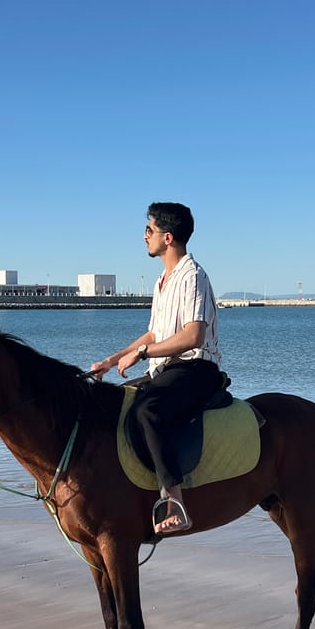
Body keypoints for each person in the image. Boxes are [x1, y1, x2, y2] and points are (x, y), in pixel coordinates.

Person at [91, 202, 222, 535]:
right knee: (113, 402)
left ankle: (175, 502)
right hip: (166, 369)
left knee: (149, 412)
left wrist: (145, 353)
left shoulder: (193, 276)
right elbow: (154, 333)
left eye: (149, 230)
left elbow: (194, 335)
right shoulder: (163, 280)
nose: (144, 236)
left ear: (168, 237)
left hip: (196, 369)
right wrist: (111, 359)